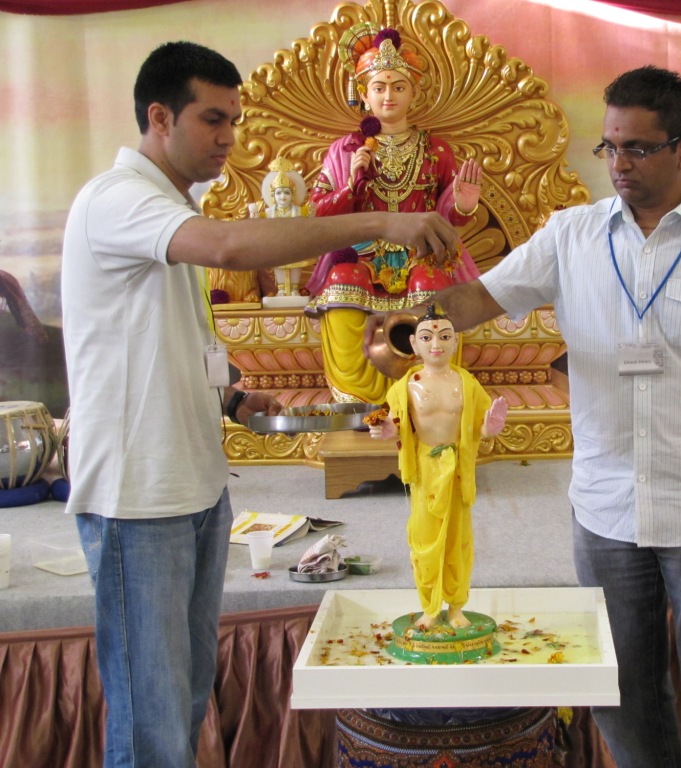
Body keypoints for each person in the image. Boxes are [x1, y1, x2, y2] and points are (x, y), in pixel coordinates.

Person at [366, 66, 681, 767]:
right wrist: (408, 323)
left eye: (639, 149)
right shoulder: (571, 236)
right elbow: (479, 301)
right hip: (606, 508)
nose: (619, 164)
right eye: (610, 148)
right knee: (620, 695)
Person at [61, 40, 459, 768]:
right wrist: (380, 222)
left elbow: (163, 339)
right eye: (213, 120)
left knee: (181, 703)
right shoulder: (117, 200)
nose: (229, 140)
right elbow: (236, 248)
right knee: (152, 719)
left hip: (193, 484)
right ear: (159, 116)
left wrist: (233, 396)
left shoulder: (166, 209)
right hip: (136, 496)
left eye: (234, 121)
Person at [305, 24, 483, 405]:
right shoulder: (344, 150)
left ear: (414, 93)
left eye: (398, 86)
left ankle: (428, 390)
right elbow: (318, 213)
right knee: (342, 280)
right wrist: (351, 184)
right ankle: (358, 395)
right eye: (380, 87)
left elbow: (445, 215)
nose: (389, 96)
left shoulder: (436, 150)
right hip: (358, 253)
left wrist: (463, 204)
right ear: (364, 95)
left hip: (421, 252)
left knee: (431, 283)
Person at [369, 304, 507, 630]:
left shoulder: (466, 383)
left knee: (459, 539)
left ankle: (456, 606)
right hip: (425, 467)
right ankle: (429, 607)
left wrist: (491, 426)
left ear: (455, 342)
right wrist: (388, 430)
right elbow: (396, 423)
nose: (437, 344)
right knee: (424, 538)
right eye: (428, 337)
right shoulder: (406, 386)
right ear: (414, 345)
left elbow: (480, 425)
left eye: (445, 337)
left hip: (457, 467)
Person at [247, 158, 316, 297]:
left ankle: (295, 289)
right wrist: (254, 213)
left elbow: (310, 224)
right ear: (273, 195)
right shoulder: (269, 212)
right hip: (277, 245)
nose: (282, 196)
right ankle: (282, 289)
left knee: (295, 266)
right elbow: (258, 224)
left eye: (286, 192)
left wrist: (311, 212)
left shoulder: (298, 210)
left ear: (293, 195)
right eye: (279, 193)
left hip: (295, 244)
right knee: (279, 266)